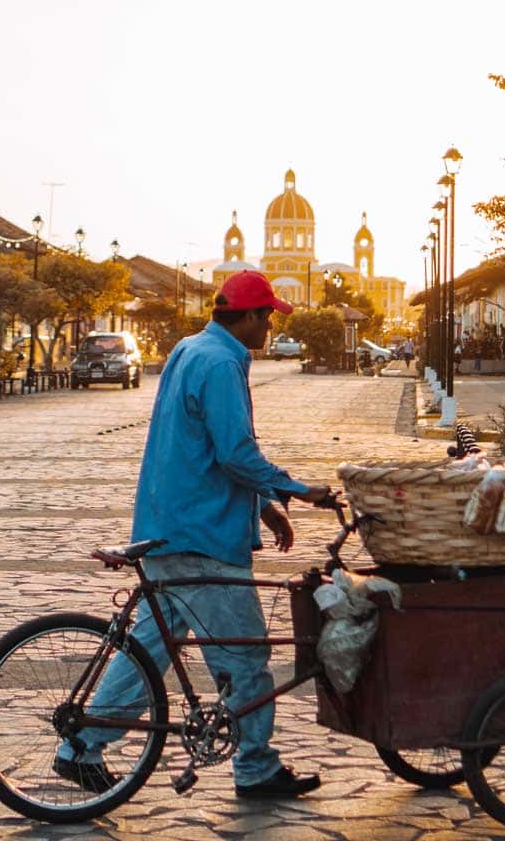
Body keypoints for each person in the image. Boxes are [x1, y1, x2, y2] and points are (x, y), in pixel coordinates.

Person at [58, 270, 334, 800]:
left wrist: (264, 509)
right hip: (201, 540)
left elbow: (207, 449)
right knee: (247, 659)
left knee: (147, 651)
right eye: (268, 315)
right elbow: (233, 452)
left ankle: (80, 746)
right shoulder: (222, 362)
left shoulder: (191, 349)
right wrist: (296, 490)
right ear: (248, 316)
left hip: (166, 526)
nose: (271, 325)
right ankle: (255, 767)